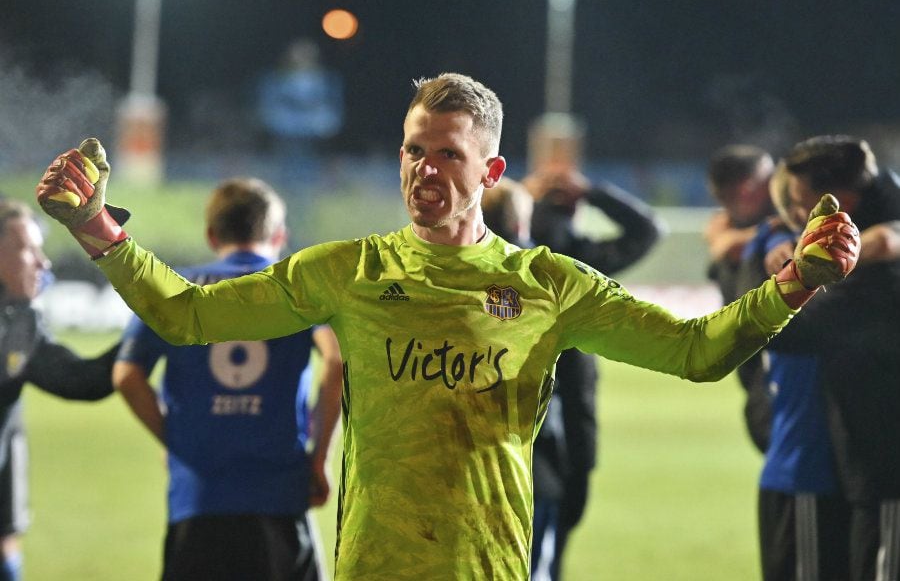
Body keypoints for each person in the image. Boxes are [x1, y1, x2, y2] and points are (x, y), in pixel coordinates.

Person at [35, 73, 861, 580]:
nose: (423, 170)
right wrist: (99, 229)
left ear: (491, 170)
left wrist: (790, 285)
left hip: (489, 568)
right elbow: (186, 316)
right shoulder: (348, 271)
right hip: (370, 569)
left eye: (447, 155)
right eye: (411, 151)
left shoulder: (547, 284)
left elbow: (695, 351)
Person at [111, 178, 343, 581]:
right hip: (279, 496)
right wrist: (319, 456)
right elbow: (337, 361)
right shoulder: (296, 287)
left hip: (199, 500)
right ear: (279, 235)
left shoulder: (175, 288)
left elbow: (126, 376)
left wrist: (175, 440)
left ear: (211, 235)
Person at [484, 167, 665, 580]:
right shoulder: (565, 264)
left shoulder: (463, 276)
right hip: (556, 437)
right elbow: (648, 231)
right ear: (521, 219)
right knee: (543, 556)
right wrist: (593, 192)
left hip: (489, 443)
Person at [761, 136, 900, 581]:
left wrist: (790, 281)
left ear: (843, 197)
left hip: (886, 463)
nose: (801, 215)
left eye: (805, 203)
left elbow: (796, 334)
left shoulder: (878, 265)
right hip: (860, 461)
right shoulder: (870, 217)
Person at [0, 198, 117, 580]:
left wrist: (149, 333)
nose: (43, 262)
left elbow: (83, 381)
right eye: (27, 250)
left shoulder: (20, 324)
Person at [704, 144, 776, 454]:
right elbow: (724, 245)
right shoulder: (765, 230)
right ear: (749, 188)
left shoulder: (766, 228)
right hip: (762, 366)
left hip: (778, 363)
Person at [257, 38, 344, 185]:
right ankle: (285, 185)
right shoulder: (277, 79)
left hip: (313, 132)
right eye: (299, 53)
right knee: (286, 162)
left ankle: (312, 187)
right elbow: (269, 107)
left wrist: (322, 121)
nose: (303, 57)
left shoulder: (326, 80)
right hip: (286, 130)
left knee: (311, 164)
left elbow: (332, 108)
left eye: (307, 53)